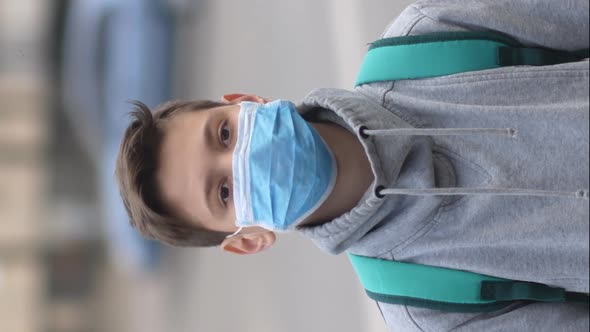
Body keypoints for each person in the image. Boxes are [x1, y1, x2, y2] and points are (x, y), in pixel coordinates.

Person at [115, 0, 589, 330]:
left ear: (246, 101)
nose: (244, 159)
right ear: (250, 240)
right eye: (224, 192)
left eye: (224, 134)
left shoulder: (431, 39)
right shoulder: (432, 308)